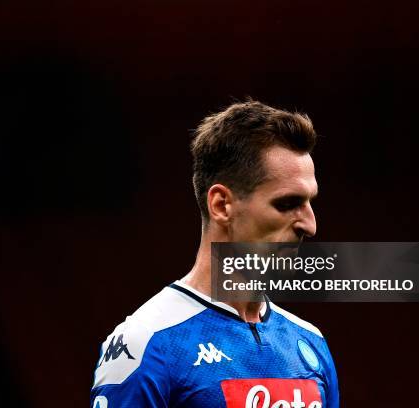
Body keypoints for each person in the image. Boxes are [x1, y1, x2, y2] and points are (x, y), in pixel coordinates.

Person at [90, 100, 339, 407]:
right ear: (221, 205)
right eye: (287, 204)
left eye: (310, 202)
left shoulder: (311, 343)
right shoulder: (146, 343)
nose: (310, 225)